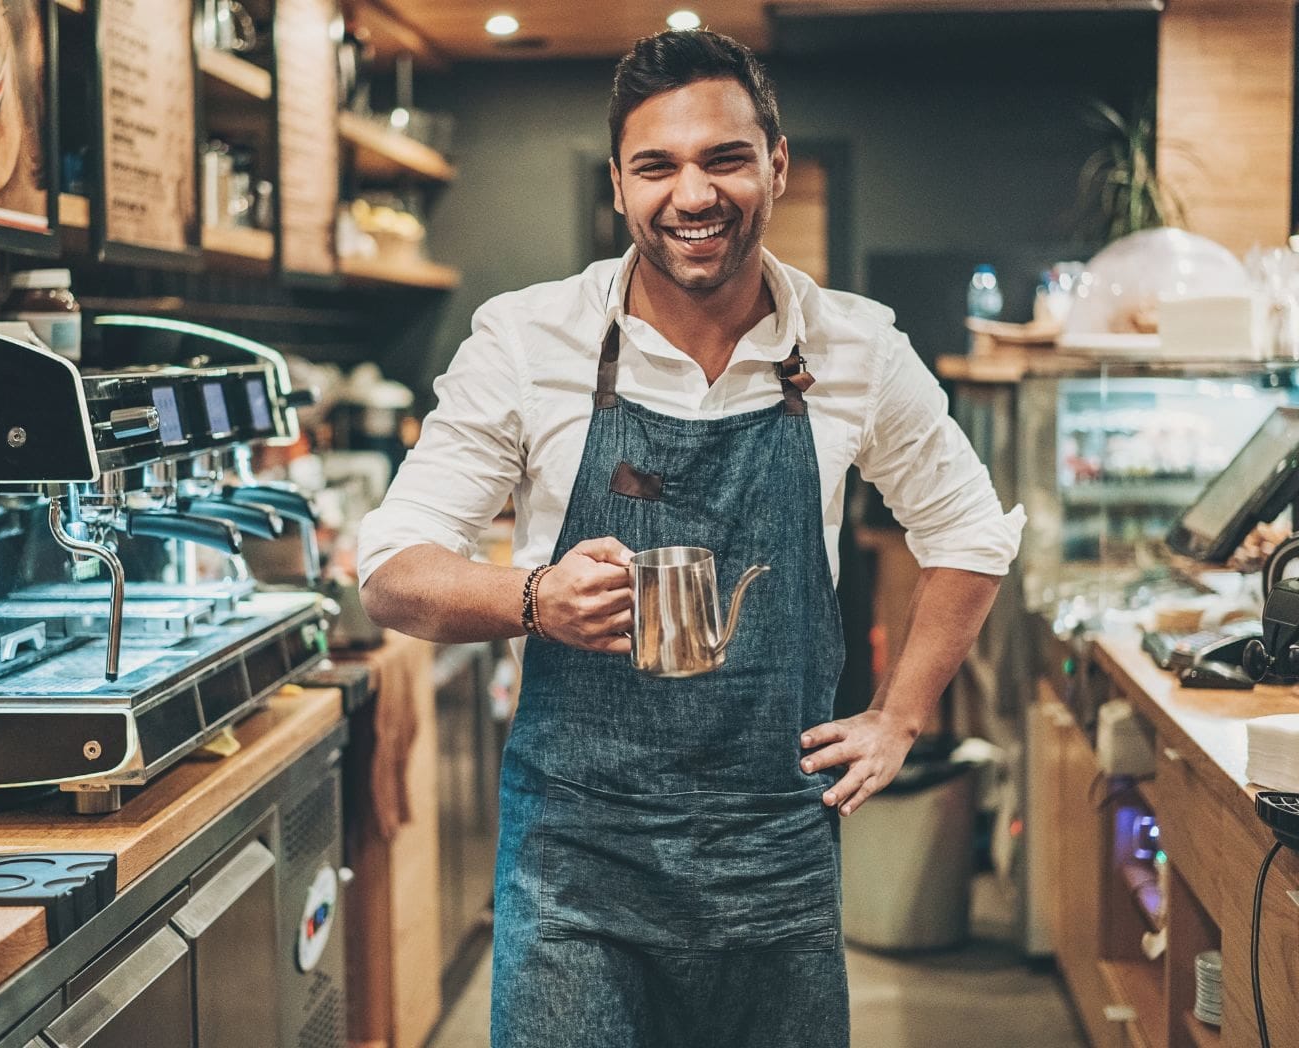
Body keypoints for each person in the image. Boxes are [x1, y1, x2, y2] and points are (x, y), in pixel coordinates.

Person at [358, 28, 1024, 1048]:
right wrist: (534, 599)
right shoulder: (528, 340)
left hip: (774, 855)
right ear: (621, 189)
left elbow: (969, 529)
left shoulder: (853, 346)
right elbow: (393, 572)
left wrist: (898, 718)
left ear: (776, 166)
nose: (693, 193)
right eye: (656, 166)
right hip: (577, 862)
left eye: (723, 158)